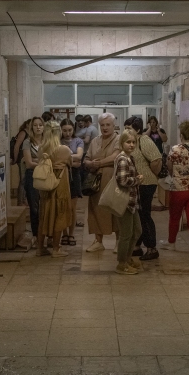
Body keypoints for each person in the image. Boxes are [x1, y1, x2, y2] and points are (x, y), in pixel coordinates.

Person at [162, 119, 189, 257]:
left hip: (178, 189)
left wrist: (176, 176)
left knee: (174, 217)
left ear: (181, 134)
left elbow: (169, 168)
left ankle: (172, 243)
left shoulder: (175, 150)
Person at [126, 116, 164, 260]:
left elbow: (156, 159)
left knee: (145, 215)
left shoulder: (144, 141)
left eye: (129, 128)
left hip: (146, 183)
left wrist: (150, 175)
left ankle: (152, 248)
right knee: (138, 214)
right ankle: (137, 246)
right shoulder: (133, 142)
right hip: (138, 183)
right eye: (125, 128)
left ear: (138, 129)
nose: (126, 131)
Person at [84, 113, 121, 252]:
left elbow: (116, 156)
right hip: (96, 182)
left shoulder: (118, 139)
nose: (105, 128)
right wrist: (89, 164)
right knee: (96, 211)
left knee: (115, 210)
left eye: (108, 125)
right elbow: (86, 159)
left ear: (113, 125)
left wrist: (99, 163)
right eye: (102, 125)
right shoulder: (95, 141)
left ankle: (118, 241)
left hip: (113, 181)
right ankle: (98, 241)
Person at [36, 121, 73, 258]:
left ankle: (40, 249)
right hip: (60, 184)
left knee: (44, 215)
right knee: (60, 215)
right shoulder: (64, 149)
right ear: (59, 133)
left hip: (45, 185)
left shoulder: (41, 149)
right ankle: (56, 249)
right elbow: (71, 162)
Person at [113, 128, 144, 275]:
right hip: (124, 202)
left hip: (132, 201)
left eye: (133, 142)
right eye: (128, 142)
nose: (131, 145)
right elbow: (122, 180)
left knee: (137, 231)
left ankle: (128, 257)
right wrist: (137, 180)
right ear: (122, 143)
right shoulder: (123, 159)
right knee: (126, 234)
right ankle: (122, 263)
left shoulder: (130, 157)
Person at [61, 118, 84, 245]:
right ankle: (64, 233)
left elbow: (79, 157)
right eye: (64, 130)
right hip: (61, 175)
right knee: (63, 206)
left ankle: (71, 234)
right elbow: (55, 159)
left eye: (69, 130)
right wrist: (72, 161)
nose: (67, 133)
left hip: (74, 176)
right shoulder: (58, 141)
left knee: (72, 207)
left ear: (73, 129)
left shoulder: (78, 141)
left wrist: (64, 159)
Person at [21, 116, 45, 241]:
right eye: (35, 125)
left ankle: (47, 234)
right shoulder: (27, 142)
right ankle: (36, 235)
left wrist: (37, 160)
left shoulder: (47, 141)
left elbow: (53, 158)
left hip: (46, 176)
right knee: (34, 207)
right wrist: (44, 162)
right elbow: (29, 163)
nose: (38, 127)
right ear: (31, 127)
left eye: (40, 125)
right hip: (32, 176)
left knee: (46, 206)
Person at [12, 118, 31, 206]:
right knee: (23, 180)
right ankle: (20, 201)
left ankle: (23, 199)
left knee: (26, 180)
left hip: (26, 158)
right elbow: (17, 146)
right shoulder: (23, 132)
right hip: (21, 159)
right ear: (27, 124)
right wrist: (15, 159)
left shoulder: (30, 133)